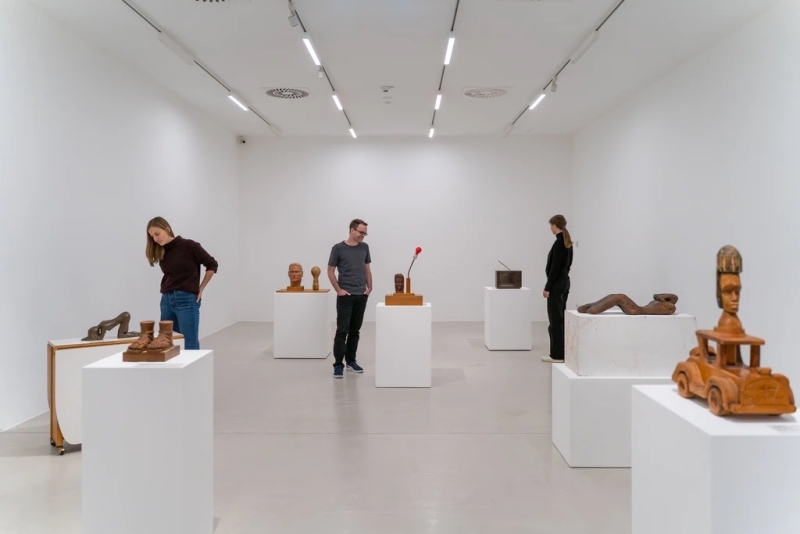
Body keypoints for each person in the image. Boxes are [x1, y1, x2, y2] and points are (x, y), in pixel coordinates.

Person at [145, 216, 218, 350]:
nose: (155, 239)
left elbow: (212, 265)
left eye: (157, 234)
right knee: (167, 344)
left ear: (167, 229)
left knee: (189, 345)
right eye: (152, 236)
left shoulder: (189, 246)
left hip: (186, 300)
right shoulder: (162, 251)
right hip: (166, 301)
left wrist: (201, 288)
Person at [327, 218, 372, 378]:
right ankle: (338, 365)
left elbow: (367, 269)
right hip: (345, 296)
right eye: (361, 232)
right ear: (352, 230)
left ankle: (351, 361)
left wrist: (369, 287)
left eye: (365, 233)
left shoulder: (364, 247)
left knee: (355, 331)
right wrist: (338, 290)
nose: (363, 235)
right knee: (342, 331)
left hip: (361, 295)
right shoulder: (338, 248)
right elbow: (330, 271)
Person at [542, 214, 573, 363]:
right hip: (565, 283)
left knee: (555, 321)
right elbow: (567, 266)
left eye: (551, 225)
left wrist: (547, 287)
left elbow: (554, 268)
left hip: (556, 285)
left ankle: (557, 355)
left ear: (555, 225)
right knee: (560, 319)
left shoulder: (559, 243)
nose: (550, 228)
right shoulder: (567, 243)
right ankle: (561, 353)